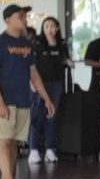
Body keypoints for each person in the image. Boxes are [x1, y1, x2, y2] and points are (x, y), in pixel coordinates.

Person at [0, 5, 56, 179]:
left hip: (23, 100)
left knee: (14, 143)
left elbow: (33, 73)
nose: (24, 19)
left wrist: (46, 98)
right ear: (8, 20)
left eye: (25, 16)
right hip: (4, 101)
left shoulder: (28, 45)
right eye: (20, 16)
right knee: (4, 140)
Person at [29, 17, 71, 164]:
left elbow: (65, 60)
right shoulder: (38, 43)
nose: (50, 29)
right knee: (37, 116)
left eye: (53, 26)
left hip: (56, 83)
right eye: (46, 26)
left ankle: (50, 149)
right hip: (40, 83)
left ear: (57, 28)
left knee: (51, 115)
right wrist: (32, 82)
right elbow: (30, 65)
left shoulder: (62, 44)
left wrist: (68, 62)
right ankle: (33, 149)